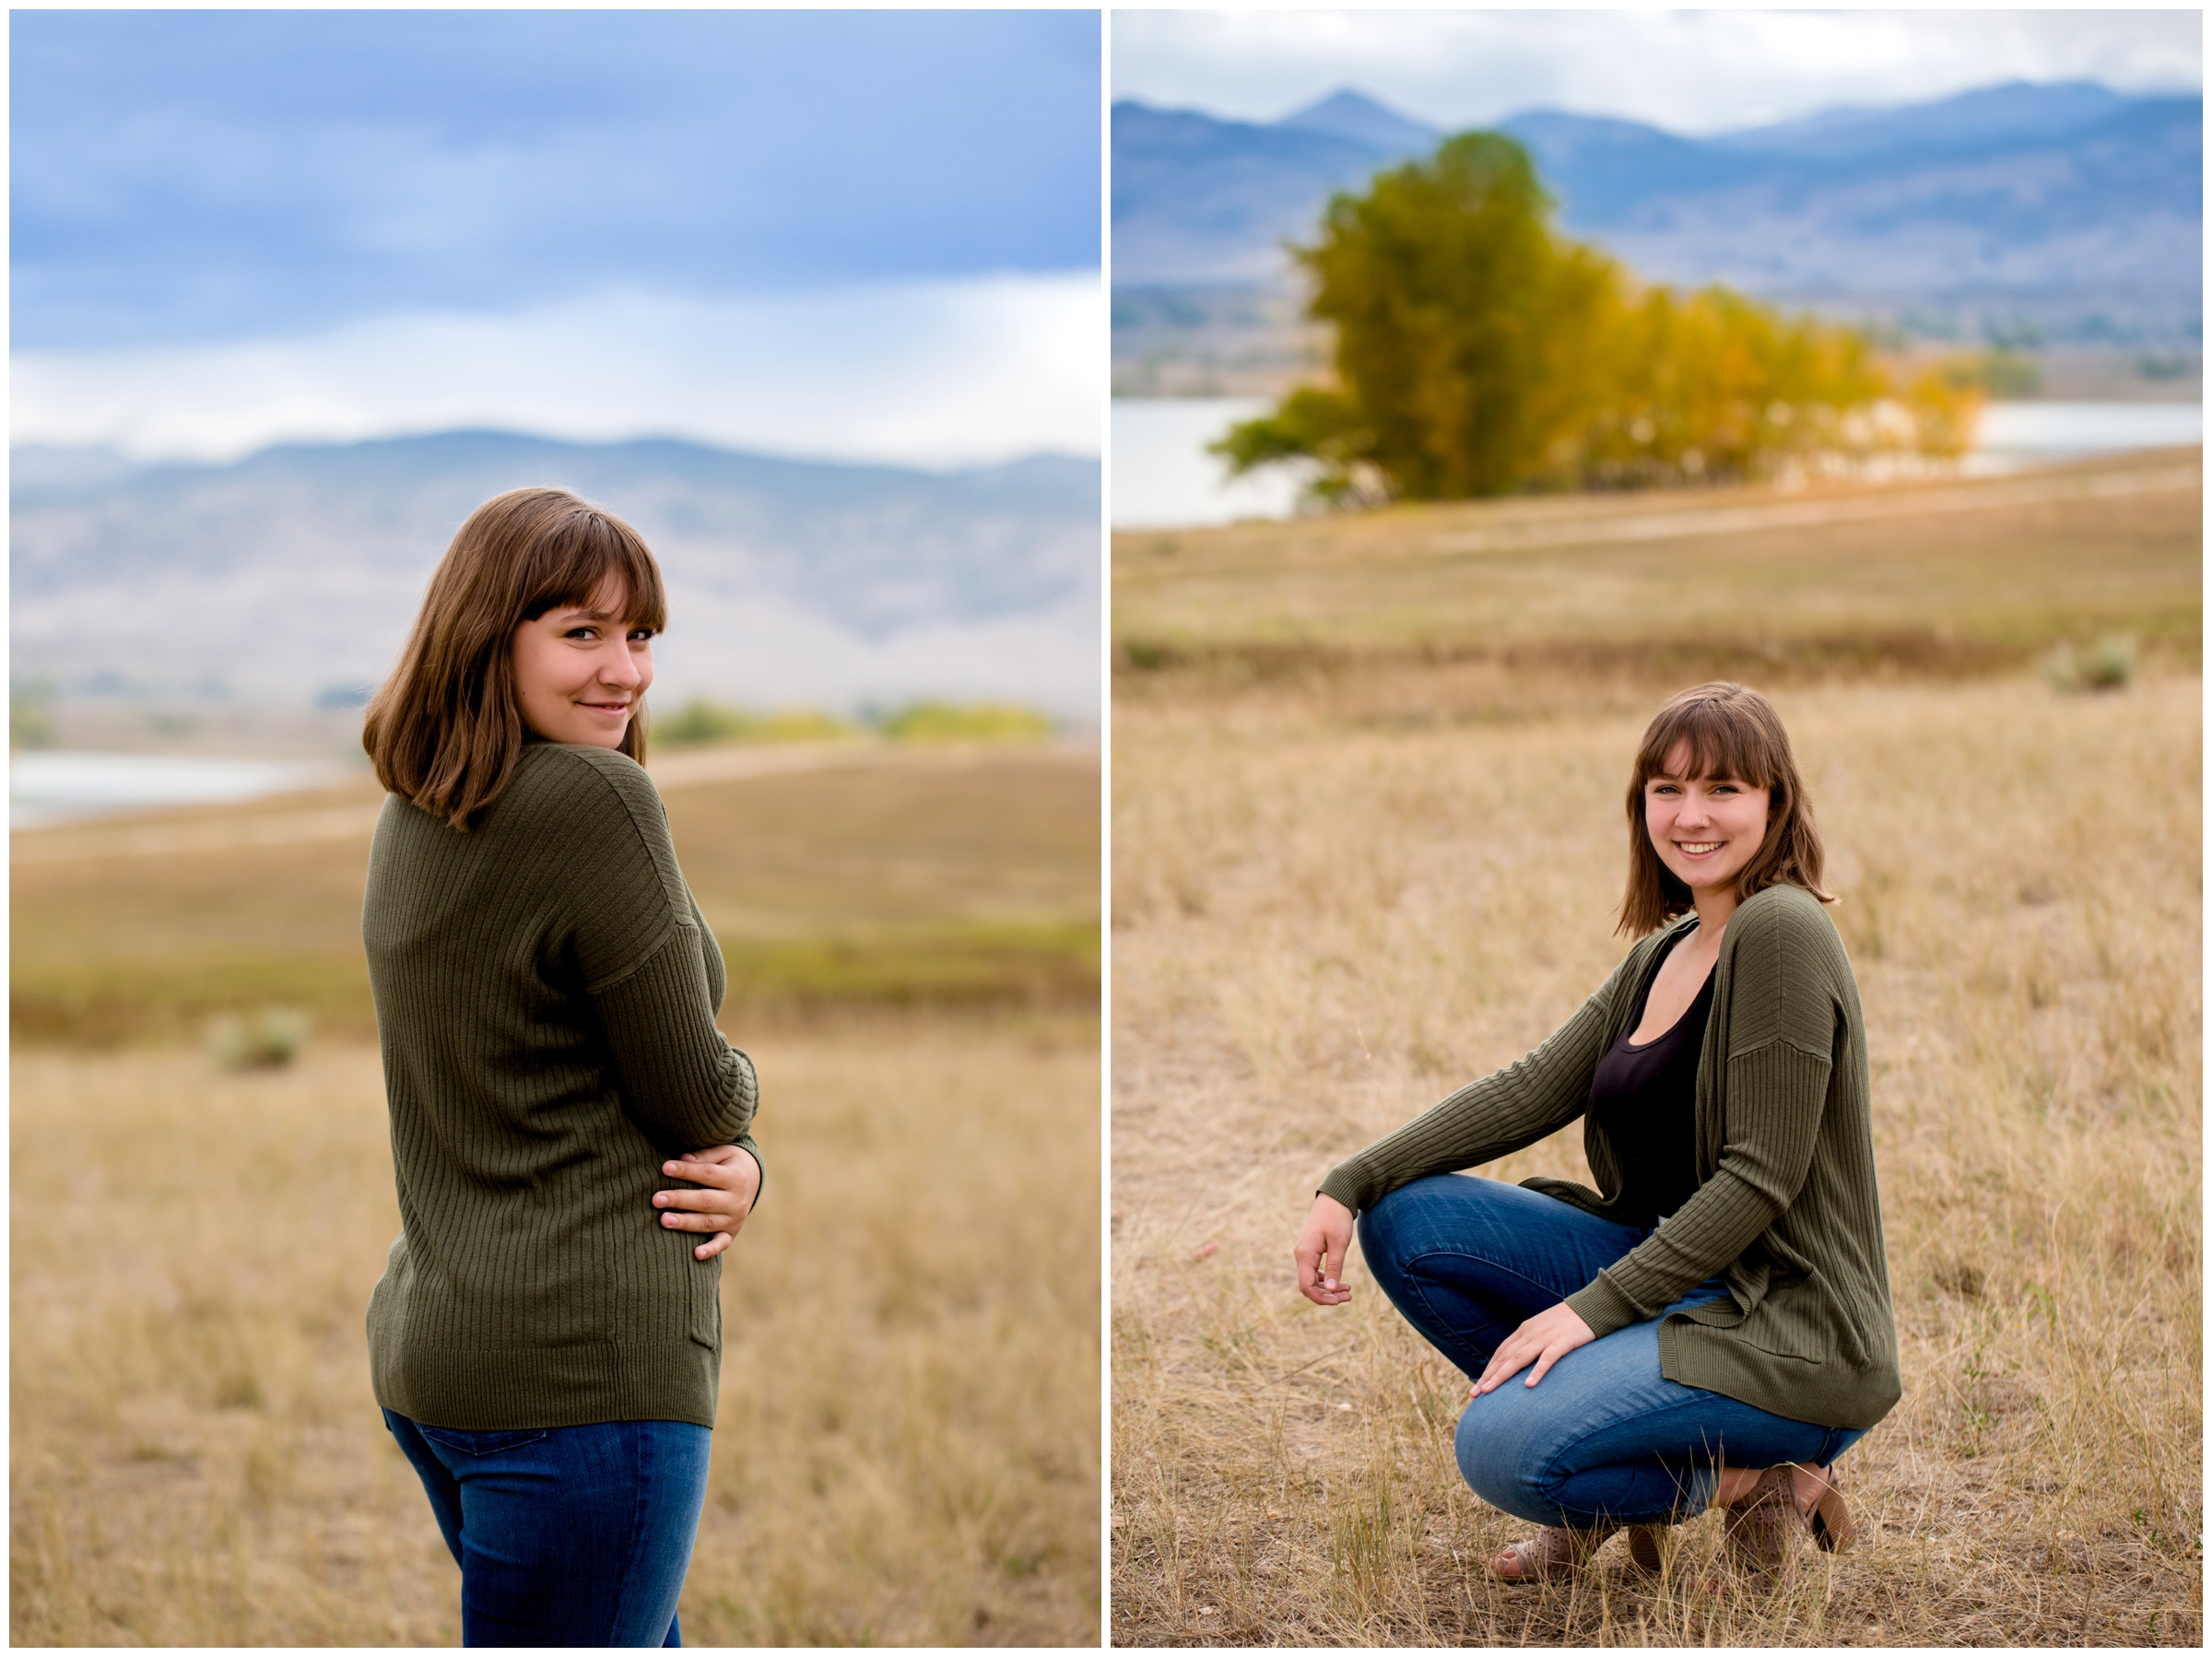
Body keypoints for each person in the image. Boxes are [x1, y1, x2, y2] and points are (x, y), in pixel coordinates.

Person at [1292, 681, 1898, 1586]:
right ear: (1640, 802)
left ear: (1776, 802)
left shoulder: (1782, 929)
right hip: (1678, 1280)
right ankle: (1606, 1474)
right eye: (1667, 787)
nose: (1691, 814)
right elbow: (1533, 1087)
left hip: (1787, 1325)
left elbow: (1758, 1177)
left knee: (1501, 1449)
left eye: (1724, 788)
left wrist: (1585, 1313)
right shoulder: (1668, 948)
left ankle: (1756, 1478)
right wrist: (1350, 1179)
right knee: (1408, 1220)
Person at [360, 487, 762, 1645]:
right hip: (580, 1374)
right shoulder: (594, 799)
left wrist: (742, 1163)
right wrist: (745, 1138)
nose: (624, 670)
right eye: (579, 632)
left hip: (439, 1350)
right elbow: (696, 1095)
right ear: (489, 635)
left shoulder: (422, 808)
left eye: (640, 636)